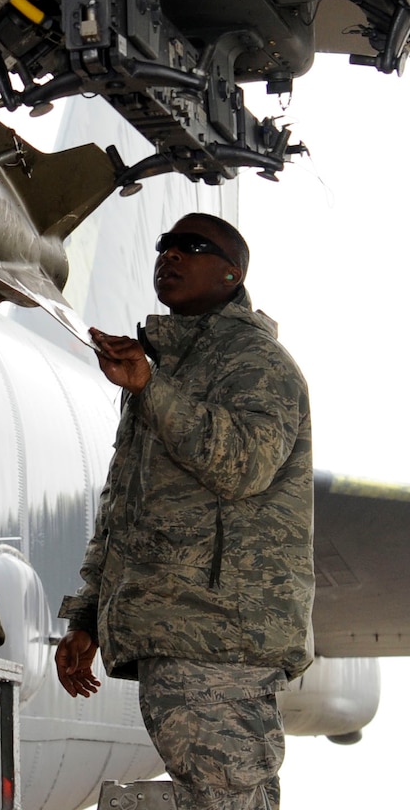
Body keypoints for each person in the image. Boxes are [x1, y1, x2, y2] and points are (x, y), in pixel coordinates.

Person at [54, 213, 313, 810]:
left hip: (221, 639)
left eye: (191, 247)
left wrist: (152, 388)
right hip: (181, 636)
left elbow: (245, 464)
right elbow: (124, 509)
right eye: (164, 245)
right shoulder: (163, 368)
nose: (169, 255)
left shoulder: (257, 362)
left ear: (232, 274)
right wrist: (88, 618)